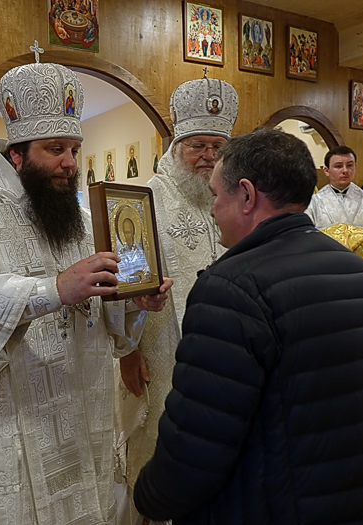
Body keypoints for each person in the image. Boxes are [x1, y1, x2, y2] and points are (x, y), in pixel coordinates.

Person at [0, 60, 171, 525]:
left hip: (80, 410)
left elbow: (103, 319)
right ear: (17, 154)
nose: (70, 162)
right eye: (55, 149)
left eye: (74, 148)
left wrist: (132, 301)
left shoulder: (80, 219)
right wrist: (52, 289)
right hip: (10, 419)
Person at [133, 128, 363, 524]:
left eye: (217, 196)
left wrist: (149, 498)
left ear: (247, 195)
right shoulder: (360, 274)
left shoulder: (229, 288)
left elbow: (199, 442)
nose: (213, 210)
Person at [115, 77, 239, 523]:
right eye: (197, 146)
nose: (208, 156)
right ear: (176, 146)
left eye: (217, 147)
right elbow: (124, 286)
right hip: (161, 349)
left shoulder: (235, 199)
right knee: (160, 451)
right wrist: (127, 352)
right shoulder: (143, 199)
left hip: (225, 355)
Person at [305, 145, 363, 229]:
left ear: (355, 167)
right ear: (326, 171)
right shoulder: (313, 202)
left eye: (349, 165)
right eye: (338, 166)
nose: (345, 170)